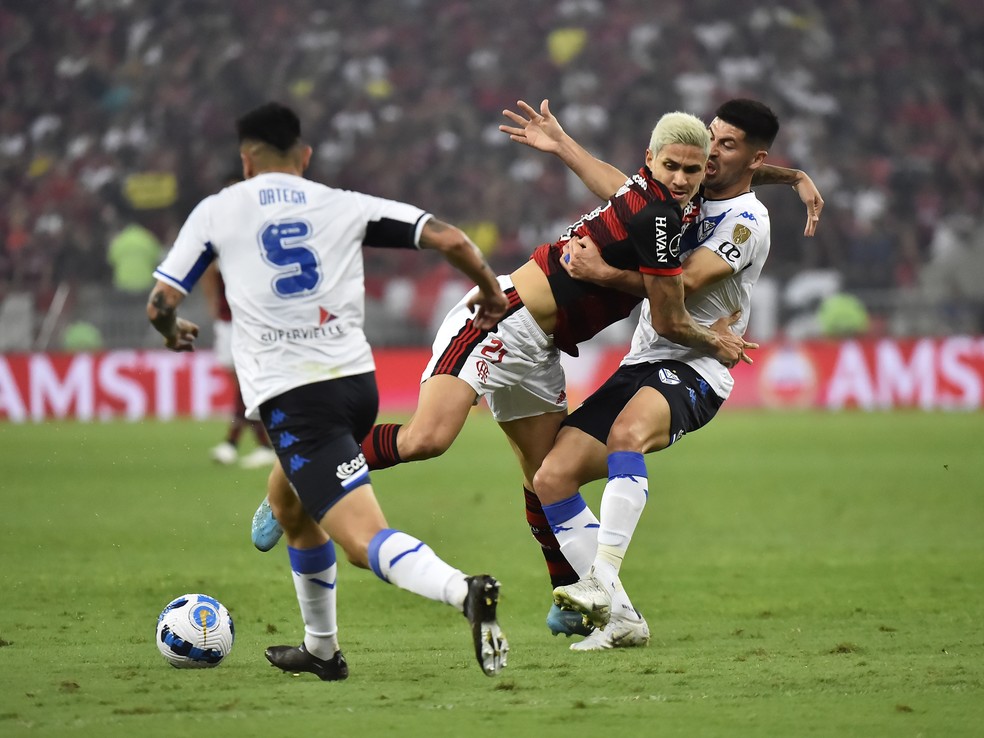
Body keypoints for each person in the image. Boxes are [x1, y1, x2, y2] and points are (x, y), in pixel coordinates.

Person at [252, 100, 822, 639]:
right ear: (653, 161)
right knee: (428, 439)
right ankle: (307, 463)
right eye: (682, 160)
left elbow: (657, 186)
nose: (692, 169)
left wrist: (794, 177)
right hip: (503, 320)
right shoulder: (658, 211)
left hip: (545, 349)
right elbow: (670, 301)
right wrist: (710, 340)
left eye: (704, 160)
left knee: (547, 474)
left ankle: (573, 597)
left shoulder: (684, 201)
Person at [146, 101, 510, 679]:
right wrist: (491, 292)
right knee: (293, 509)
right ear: (305, 156)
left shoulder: (218, 210)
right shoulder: (343, 203)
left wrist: (173, 329)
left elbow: (162, 301)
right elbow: (451, 239)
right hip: (356, 387)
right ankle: (321, 650)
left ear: (246, 160)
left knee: (364, 542)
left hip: (296, 397)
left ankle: (464, 590)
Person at [528, 98, 788, 651]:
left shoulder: (745, 220)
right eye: (712, 137)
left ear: (752, 157)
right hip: (644, 360)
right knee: (551, 478)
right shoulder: (687, 193)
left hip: (699, 363)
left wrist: (603, 271)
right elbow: (625, 192)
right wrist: (564, 145)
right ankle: (622, 618)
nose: (711, 152)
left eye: (727, 145)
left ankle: (598, 581)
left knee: (628, 435)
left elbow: (684, 282)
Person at [201, 258, 279, 470]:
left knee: (246, 386)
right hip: (227, 324)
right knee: (242, 388)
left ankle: (234, 443)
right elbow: (207, 274)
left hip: (247, 323)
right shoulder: (222, 245)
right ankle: (259, 445)